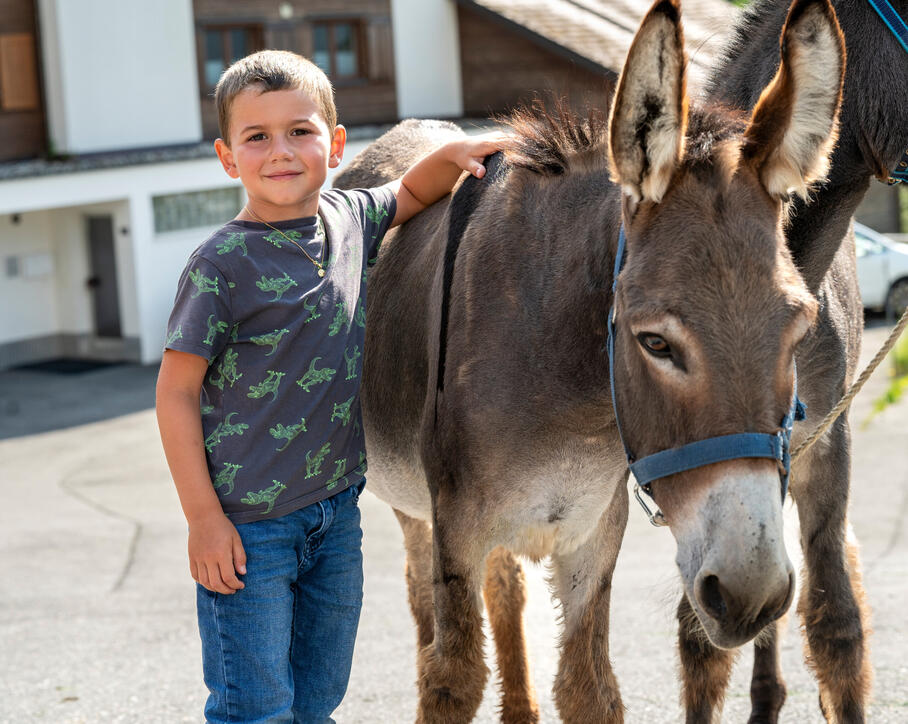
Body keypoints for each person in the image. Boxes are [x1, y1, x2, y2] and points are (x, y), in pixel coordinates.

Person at [155, 49, 504, 723]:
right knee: (255, 708)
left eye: (300, 131)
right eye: (257, 137)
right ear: (229, 158)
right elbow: (175, 393)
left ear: (335, 144)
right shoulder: (220, 266)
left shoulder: (348, 219)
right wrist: (203, 520)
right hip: (249, 531)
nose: (281, 151)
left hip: (336, 519)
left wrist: (461, 150)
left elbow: (412, 190)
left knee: (317, 702)